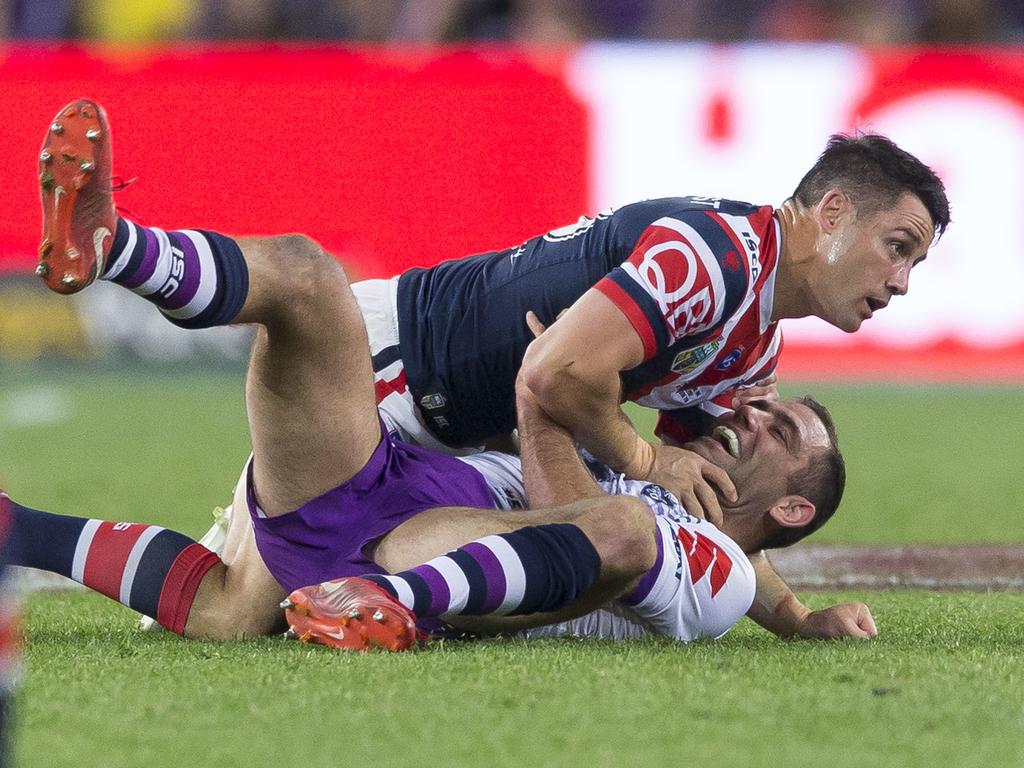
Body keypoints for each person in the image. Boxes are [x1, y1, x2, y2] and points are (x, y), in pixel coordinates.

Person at [37, 98, 923, 639]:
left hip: (447, 433)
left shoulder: (752, 347)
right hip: (398, 370)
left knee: (237, 614)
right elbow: (557, 380)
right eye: (898, 247)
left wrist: (798, 618)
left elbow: (706, 517)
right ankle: (114, 246)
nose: (901, 281)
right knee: (306, 284)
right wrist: (643, 455)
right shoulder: (715, 257)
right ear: (833, 211)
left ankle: (16, 531)